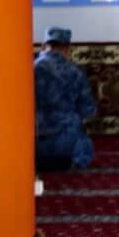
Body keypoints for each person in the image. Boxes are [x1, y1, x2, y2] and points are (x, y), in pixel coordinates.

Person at [34, 27, 97, 172]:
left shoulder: (29, 69)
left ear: (43, 46)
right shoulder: (75, 71)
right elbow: (88, 110)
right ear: (68, 48)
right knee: (85, 147)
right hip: (67, 146)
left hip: (33, 145)